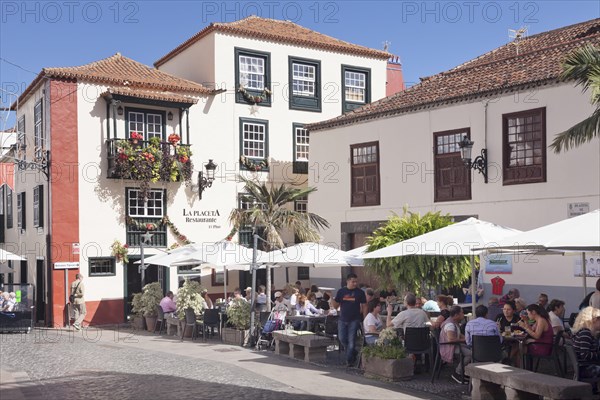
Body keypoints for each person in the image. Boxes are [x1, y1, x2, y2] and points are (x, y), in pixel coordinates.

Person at [332, 273, 367, 366]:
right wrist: (331, 296)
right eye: (353, 282)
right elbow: (335, 306)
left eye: (356, 282)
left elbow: (364, 306)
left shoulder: (360, 292)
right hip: (342, 319)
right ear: (348, 281)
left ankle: (349, 361)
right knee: (342, 338)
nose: (355, 283)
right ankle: (353, 352)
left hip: (354, 320)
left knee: (352, 341)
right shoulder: (341, 291)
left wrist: (364, 319)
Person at [572, 307, 600, 394]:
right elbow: (585, 355)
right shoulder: (586, 333)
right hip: (586, 369)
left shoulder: (582, 332)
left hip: (583, 367)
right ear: (594, 320)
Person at [440, 305, 471, 384]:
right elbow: (451, 339)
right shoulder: (450, 325)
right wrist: (465, 339)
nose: (463, 314)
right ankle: (457, 372)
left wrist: (468, 339)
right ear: (456, 315)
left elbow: (459, 335)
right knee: (470, 354)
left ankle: (465, 372)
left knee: (470, 347)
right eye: (462, 313)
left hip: (453, 345)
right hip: (448, 346)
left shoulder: (453, 322)